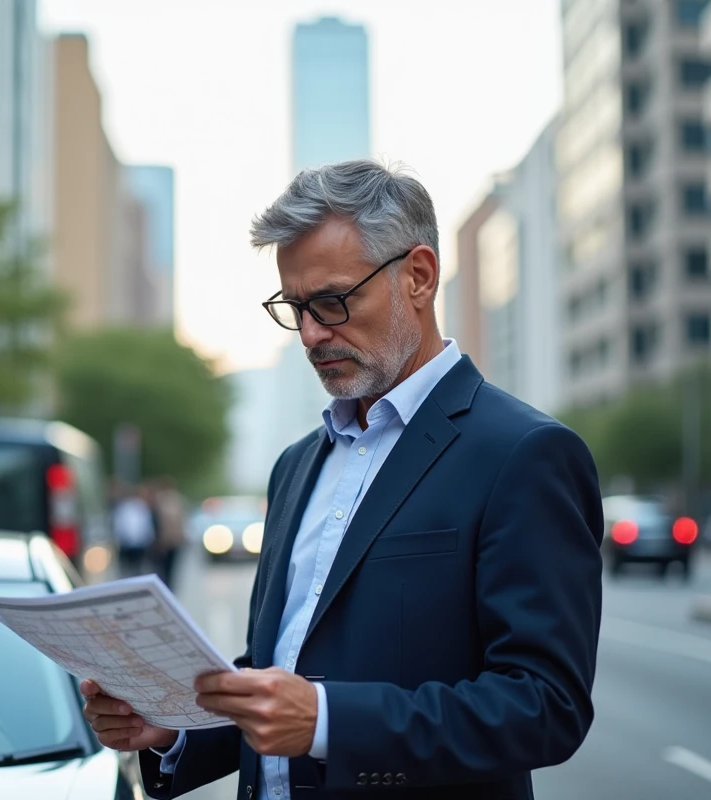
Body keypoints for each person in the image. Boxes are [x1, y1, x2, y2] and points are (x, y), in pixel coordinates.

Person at [82, 160, 604, 799]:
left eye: (331, 301)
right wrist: (170, 730)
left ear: (418, 276)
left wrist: (329, 722)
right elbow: (280, 677)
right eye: (294, 307)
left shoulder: (524, 454)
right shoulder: (295, 467)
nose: (310, 333)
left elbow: (546, 706)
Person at [151, 477, 187, 590]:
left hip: (171, 540)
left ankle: (168, 588)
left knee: (169, 568)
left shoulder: (170, 501)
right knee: (164, 568)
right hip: (166, 541)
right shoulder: (162, 501)